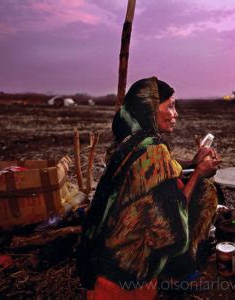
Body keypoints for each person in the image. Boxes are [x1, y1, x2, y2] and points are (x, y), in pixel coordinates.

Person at [77, 76, 221, 299]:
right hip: (128, 267)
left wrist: (193, 163)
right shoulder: (153, 151)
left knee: (182, 185)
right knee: (206, 193)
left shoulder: (128, 139)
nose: (176, 114)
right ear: (151, 108)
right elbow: (172, 235)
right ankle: (176, 275)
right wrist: (199, 174)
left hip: (103, 253)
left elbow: (160, 172)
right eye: (170, 106)